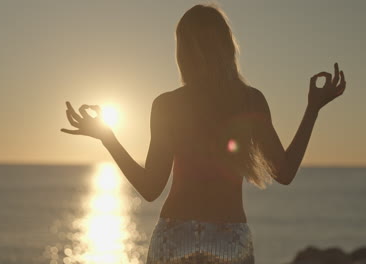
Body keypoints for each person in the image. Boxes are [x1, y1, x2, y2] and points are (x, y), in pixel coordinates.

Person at [61, 4, 346, 264]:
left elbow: (150, 189)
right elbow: (283, 173)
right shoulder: (250, 100)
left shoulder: (167, 104)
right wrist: (312, 109)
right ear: (227, 47)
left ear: (182, 52)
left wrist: (108, 137)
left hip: (174, 236)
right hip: (230, 238)